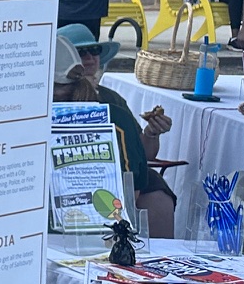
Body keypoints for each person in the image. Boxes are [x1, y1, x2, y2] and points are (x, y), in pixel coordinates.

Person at [56, 23, 177, 236]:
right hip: (93, 187)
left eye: (95, 50)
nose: (90, 57)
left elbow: (143, 156)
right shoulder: (113, 111)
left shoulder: (112, 100)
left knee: (156, 189)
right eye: (81, 52)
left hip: (112, 186)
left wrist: (151, 133)